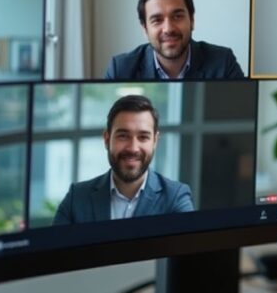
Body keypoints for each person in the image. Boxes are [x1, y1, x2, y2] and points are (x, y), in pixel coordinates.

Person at [54, 95, 194, 225]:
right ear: (107, 139)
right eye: (123, 136)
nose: (133, 148)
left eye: (143, 137)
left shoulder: (175, 198)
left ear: (155, 141)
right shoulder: (76, 198)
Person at [105, 0, 245, 80]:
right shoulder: (120, 70)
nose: (168, 29)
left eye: (177, 16)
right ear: (145, 29)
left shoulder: (223, 62)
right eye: (157, 20)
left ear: (192, 20)